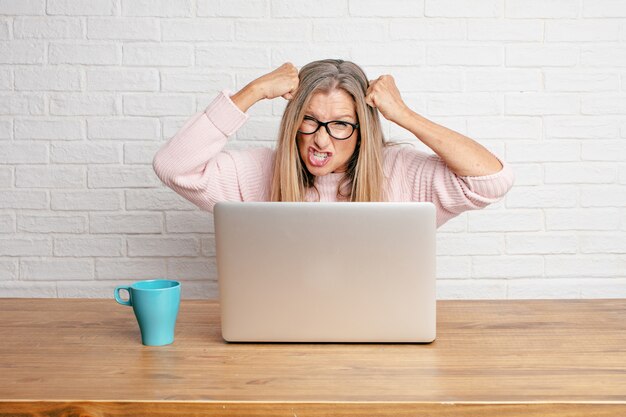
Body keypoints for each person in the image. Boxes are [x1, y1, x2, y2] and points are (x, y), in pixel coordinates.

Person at [153, 59, 514, 227]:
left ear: (362, 131)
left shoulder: (400, 170)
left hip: (381, 334)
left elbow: (491, 180)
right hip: (281, 334)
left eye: (340, 124)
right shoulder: (261, 171)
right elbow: (173, 167)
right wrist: (254, 92)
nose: (320, 139)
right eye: (309, 119)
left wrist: (404, 115)